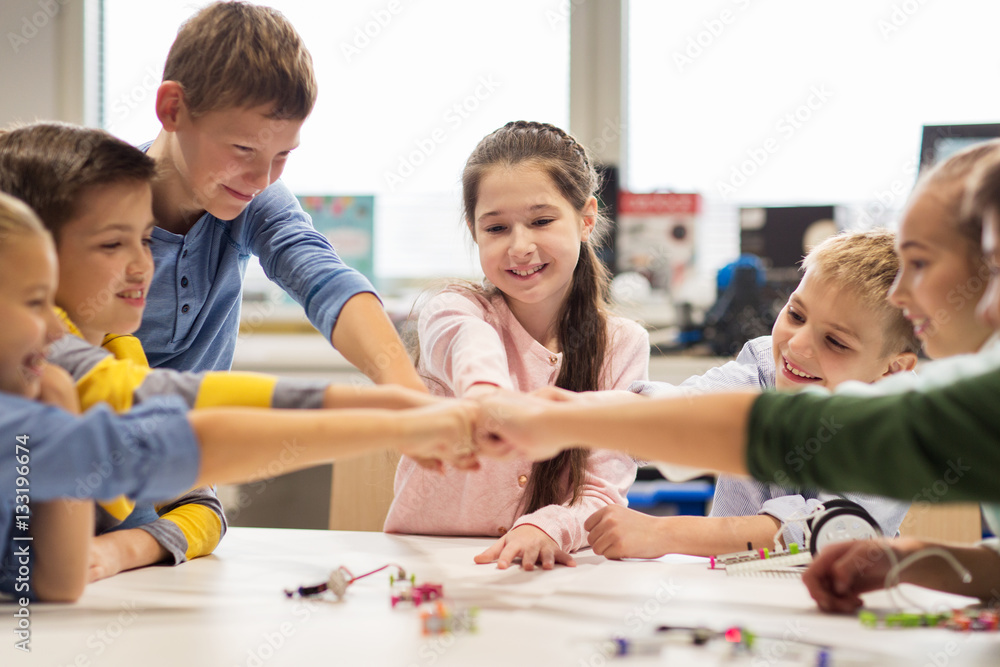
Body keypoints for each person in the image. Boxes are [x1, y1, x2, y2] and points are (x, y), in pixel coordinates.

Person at [474, 141, 1000, 604]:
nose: (906, 295)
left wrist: (576, 425)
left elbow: (781, 460)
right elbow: (692, 410)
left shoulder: (934, 405)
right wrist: (905, 561)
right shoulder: (764, 362)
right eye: (794, 314)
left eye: (924, 264)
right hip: (730, 596)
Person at [0, 122, 437, 582]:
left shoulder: (114, 350)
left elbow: (193, 503)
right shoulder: (51, 363)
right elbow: (173, 423)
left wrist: (120, 550)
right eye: (113, 243)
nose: (143, 264)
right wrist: (394, 414)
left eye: (147, 239)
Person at [383, 121, 649, 570]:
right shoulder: (453, 309)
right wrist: (488, 397)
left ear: (586, 219)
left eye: (541, 221)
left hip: (543, 573)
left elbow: (603, 487)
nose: (520, 246)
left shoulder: (622, 343)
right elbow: (470, 345)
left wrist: (544, 526)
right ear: (474, 231)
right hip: (430, 566)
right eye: (497, 228)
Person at [138, 2, 423, 392]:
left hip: (192, 445)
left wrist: (405, 389)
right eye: (242, 148)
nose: (262, 178)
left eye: (283, 154)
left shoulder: (252, 197)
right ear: (173, 109)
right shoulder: (89, 203)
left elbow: (322, 275)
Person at [586, 229, 918, 559]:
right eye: (796, 315)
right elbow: (678, 407)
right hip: (728, 593)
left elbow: (821, 530)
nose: (797, 345)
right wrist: (568, 413)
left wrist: (661, 532)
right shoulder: (764, 369)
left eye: (835, 341)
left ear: (892, 370)